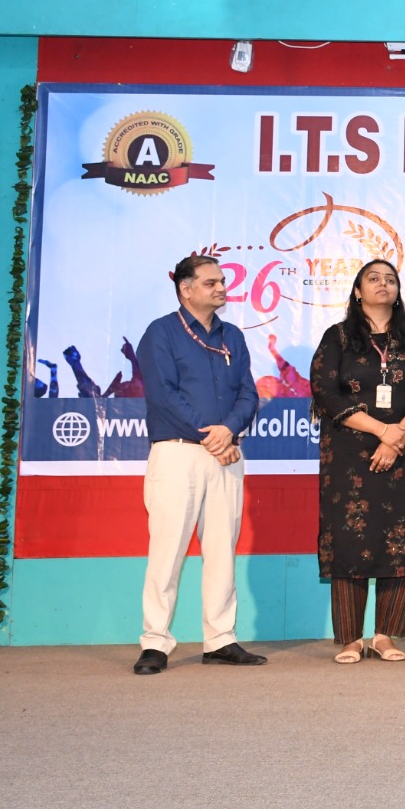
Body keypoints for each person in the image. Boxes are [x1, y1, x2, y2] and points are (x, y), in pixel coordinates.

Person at [133, 255, 264, 674]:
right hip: (178, 453)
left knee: (222, 550)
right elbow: (164, 394)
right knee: (167, 551)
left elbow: (248, 394)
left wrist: (228, 430)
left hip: (226, 454)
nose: (221, 288)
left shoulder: (233, 336)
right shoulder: (161, 332)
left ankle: (220, 639)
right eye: (211, 283)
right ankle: (155, 642)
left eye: (222, 281)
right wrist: (212, 436)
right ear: (185, 289)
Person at [309, 259, 405, 663]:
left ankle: (385, 635)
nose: (383, 284)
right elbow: (325, 392)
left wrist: (397, 436)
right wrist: (382, 431)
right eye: (373, 279)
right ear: (357, 291)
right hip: (349, 455)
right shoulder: (337, 337)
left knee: (402, 538)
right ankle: (351, 638)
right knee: (349, 539)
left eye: (390, 279)